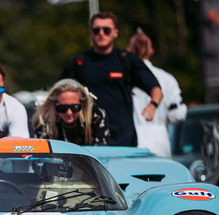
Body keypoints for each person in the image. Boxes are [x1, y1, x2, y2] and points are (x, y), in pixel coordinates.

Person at [60, 11, 163, 147]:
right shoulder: (78, 62)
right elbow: (58, 95)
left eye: (106, 30)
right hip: (88, 142)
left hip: (123, 141)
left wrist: (153, 105)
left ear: (115, 32)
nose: (101, 33)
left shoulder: (127, 59)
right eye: (96, 30)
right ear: (91, 33)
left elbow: (156, 88)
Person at [128, 29, 187, 157]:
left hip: (132, 142)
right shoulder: (167, 78)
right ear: (151, 52)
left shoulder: (125, 77)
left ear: (129, 51)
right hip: (160, 142)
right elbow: (179, 113)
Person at [33, 78, 109, 145]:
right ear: (55, 105)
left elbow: (102, 151)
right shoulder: (44, 118)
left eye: (75, 108)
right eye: (63, 108)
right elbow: (43, 154)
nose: (69, 113)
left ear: (82, 104)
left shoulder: (96, 115)